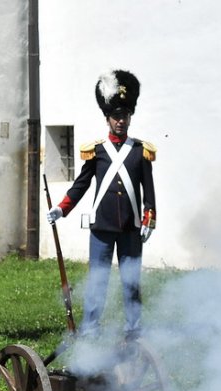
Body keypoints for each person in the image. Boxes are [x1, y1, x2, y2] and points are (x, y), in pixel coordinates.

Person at [46, 69, 156, 341]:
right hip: (102, 227)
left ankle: (134, 328)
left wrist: (148, 219)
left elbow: (149, 192)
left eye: (125, 116)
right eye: (116, 116)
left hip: (131, 228)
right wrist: (62, 208)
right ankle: (92, 328)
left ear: (130, 117)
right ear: (107, 118)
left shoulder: (140, 151)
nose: (121, 121)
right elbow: (81, 184)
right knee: (98, 281)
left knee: (131, 281)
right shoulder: (96, 151)